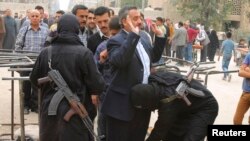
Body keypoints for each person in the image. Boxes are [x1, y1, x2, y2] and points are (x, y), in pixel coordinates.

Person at [29, 14, 105, 141]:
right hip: (76, 117)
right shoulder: (84, 53)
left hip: (51, 114)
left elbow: (34, 80)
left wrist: (49, 90)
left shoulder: (46, 52)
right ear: (76, 29)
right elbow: (97, 86)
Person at [101, 6, 166, 141]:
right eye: (135, 18)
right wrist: (133, 36)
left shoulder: (143, 38)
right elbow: (120, 61)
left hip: (142, 103)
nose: (140, 21)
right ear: (124, 21)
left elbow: (151, 58)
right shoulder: (115, 40)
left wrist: (159, 37)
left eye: (140, 18)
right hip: (121, 107)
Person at [131, 71, 219, 141]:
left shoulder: (167, 101)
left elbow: (159, 132)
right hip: (183, 108)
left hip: (206, 107)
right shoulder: (154, 79)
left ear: (148, 102)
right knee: (171, 137)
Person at [15, 9, 49, 114]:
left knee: (37, 84)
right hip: (26, 62)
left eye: (37, 16)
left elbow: (48, 47)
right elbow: (18, 46)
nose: (34, 18)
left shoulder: (45, 30)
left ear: (40, 18)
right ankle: (25, 105)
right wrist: (18, 61)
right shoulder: (24, 30)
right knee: (26, 84)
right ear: (29, 17)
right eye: (32, 16)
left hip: (39, 63)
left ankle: (35, 105)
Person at [233, 52, 250, 125]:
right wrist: (245, 69)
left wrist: (247, 69)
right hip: (246, 93)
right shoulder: (249, 55)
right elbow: (240, 72)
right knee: (237, 120)